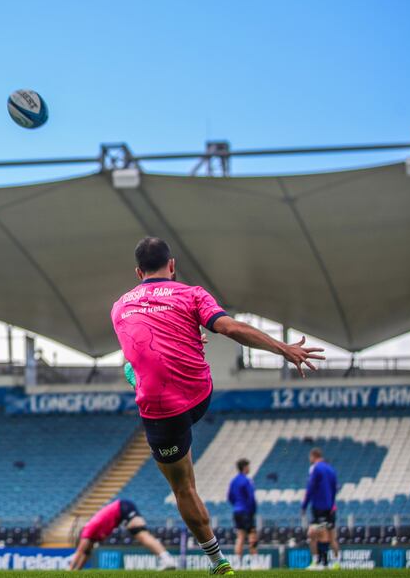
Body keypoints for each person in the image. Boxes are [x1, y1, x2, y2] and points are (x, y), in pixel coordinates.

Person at [111, 237, 323, 576]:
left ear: (138, 272)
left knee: (183, 487)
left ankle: (218, 561)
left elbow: (141, 346)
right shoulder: (192, 293)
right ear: (172, 265)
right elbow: (231, 327)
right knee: (149, 368)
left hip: (160, 407)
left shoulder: (120, 306)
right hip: (198, 393)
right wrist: (283, 348)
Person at [69, 497, 176, 571]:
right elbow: (86, 553)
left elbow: (80, 552)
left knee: (141, 534)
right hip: (122, 509)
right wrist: (75, 572)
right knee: (141, 534)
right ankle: (166, 558)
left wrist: (69, 571)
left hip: (123, 507)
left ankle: (167, 559)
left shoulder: (88, 531)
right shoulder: (92, 535)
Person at [301, 448, 339, 571]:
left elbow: (310, 487)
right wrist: (332, 503)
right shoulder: (331, 469)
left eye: (310, 457)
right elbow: (335, 488)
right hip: (330, 508)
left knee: (316, 534)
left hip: (320, 508)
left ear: (313, 456)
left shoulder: (316, 468)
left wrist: (304, 505)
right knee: (330, 536)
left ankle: (321, 562)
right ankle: (334, 562)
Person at [227, 458, 258, 565]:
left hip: (237, 511)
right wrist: (252, 511)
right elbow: (251, 497)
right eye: (248, 466)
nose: (249, 468)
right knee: (252, 534)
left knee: (240, 536)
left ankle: (238, 563)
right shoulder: (247, 480)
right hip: (246, 511)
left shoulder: (233, 481)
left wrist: (236, 505)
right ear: (245, 467)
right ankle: (255, 562)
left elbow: (230, 497)